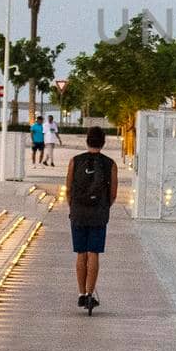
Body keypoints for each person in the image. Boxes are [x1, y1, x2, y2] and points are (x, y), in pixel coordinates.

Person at [67, 127, 117, 313]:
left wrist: (73, 207)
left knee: (81, 253)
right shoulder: (110, 164)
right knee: (93, 252)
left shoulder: (75, 161)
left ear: (87, 141)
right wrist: (103, 208)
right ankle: (90, 294)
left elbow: (68, 189)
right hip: (98, 214)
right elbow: (113, 194)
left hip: (78, 212)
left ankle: (81, 294)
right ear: (103, 142)